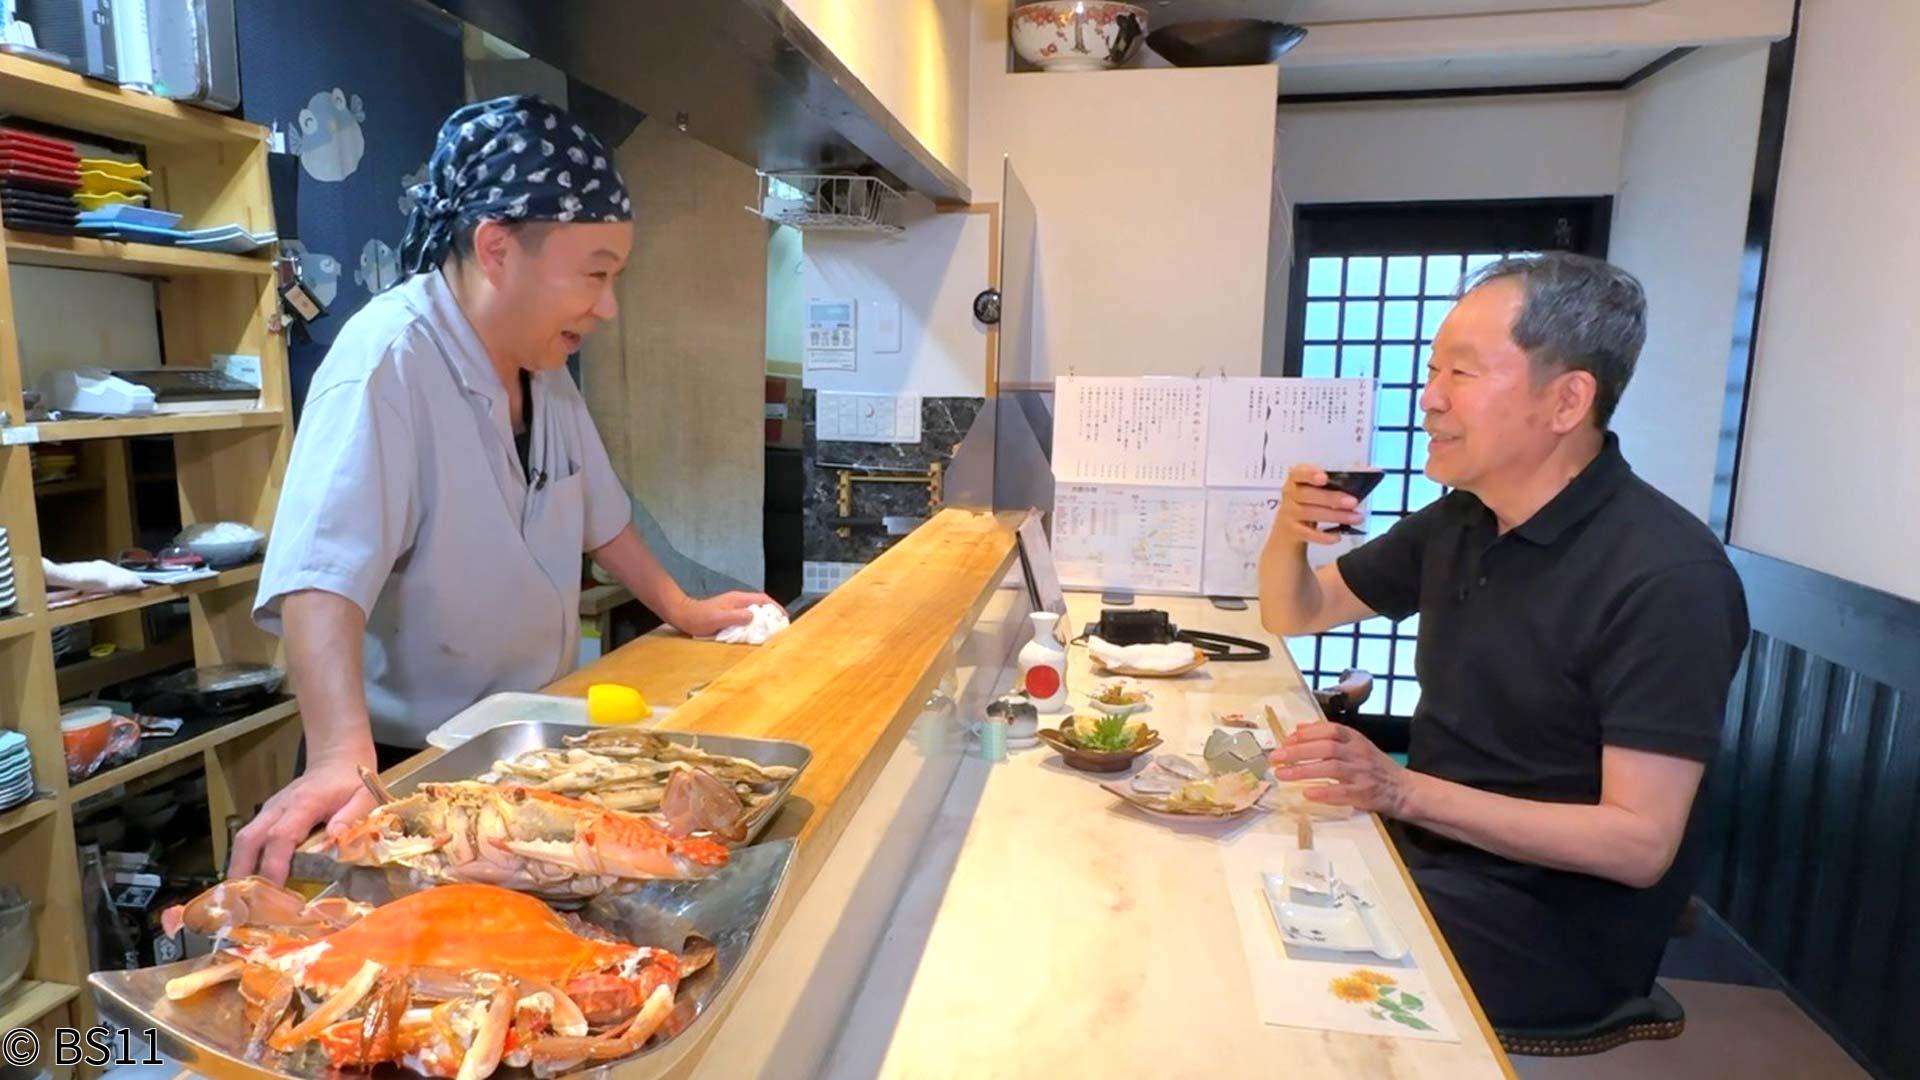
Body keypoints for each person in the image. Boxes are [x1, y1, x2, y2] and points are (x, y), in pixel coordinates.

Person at [229, 96, 777, 884]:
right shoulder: (387, 359)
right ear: (496, 249)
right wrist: (340, 755)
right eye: (595, 274)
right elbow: (322, 577)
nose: (609, 306)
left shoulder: (541, 368)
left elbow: (600, 514)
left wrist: (683, 609)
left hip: (520, 748)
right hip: (402, 765)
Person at [1257, 252, 1749, 1030]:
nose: (1430, 401)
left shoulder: (1667, 576)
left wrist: (1399, 788)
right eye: (1432, 370)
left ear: (1567, 401)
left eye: (1462, 373)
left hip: (1552, 926)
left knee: (1260, 961)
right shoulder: (1463, 519)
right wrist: (1289, 535)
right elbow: (1299, 613)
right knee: (1237, 871)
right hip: (1434, 856)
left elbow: (1639, 843)